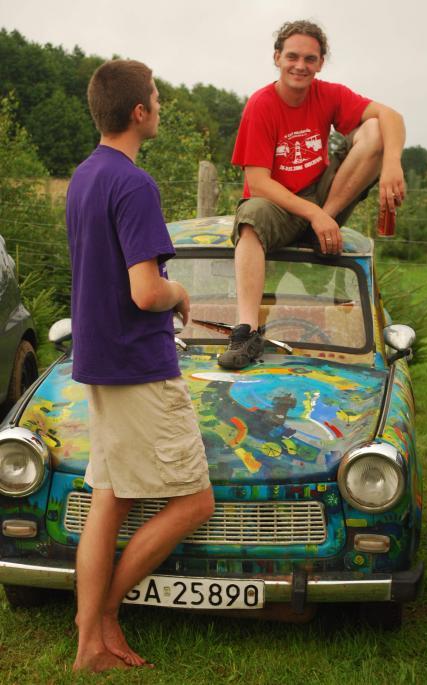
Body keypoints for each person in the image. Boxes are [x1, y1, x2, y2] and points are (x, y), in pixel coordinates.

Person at [66, 59, 214, 673]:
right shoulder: (134, 184)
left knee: (111, 498)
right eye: (155, 95)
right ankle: (106, 613)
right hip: (137, 366)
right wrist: (180, 294)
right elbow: (146, 291)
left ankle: (88, 646)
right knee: (195, 502)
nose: (159, 103)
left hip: (98, 361)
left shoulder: (83, 176)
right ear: (139, 111)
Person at [218, 19, 406, 370]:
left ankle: (322, 225)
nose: (300, 65)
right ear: (277, 57)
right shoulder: (260, 105)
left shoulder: (328, 94)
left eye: (310, 58)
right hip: (277, 204)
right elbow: (257, 182)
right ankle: (246, 331)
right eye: (292, 56)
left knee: (376, 129)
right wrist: (314, 215)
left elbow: (390, 115)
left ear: (320, 63)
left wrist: (392, 164)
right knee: (250, 220)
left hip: (324, 196)